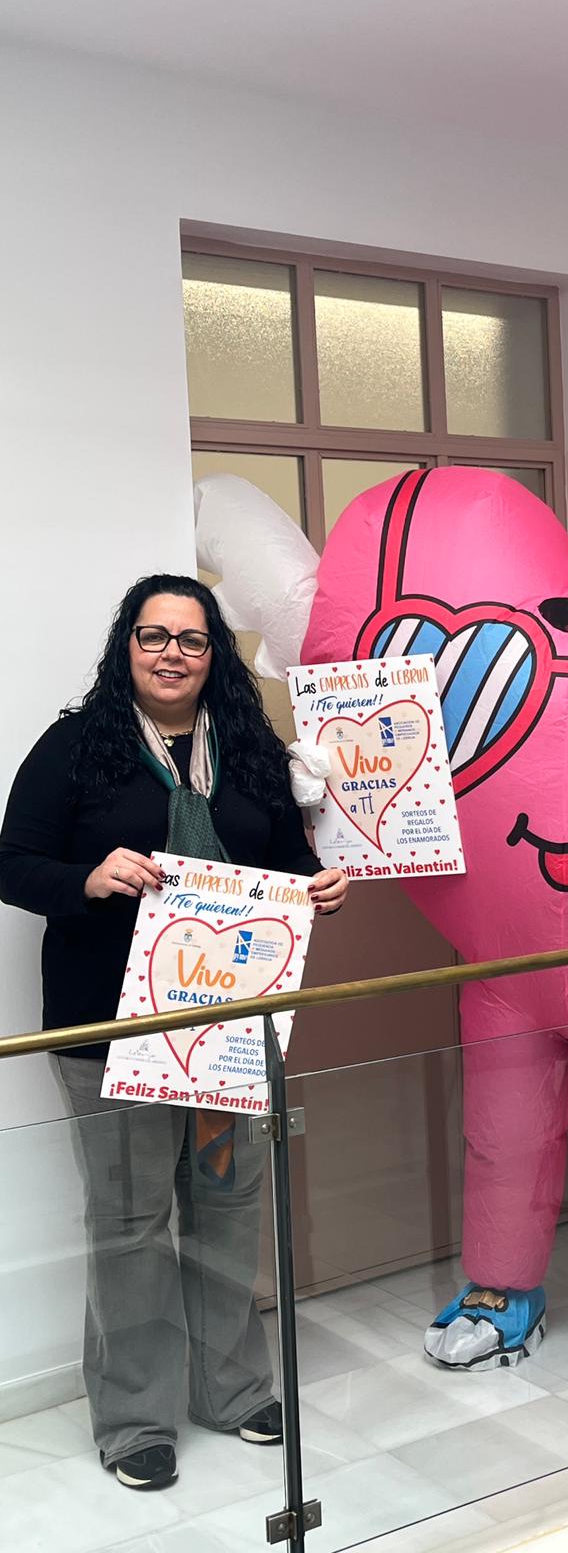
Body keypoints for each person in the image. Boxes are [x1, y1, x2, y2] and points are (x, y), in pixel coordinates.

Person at [0, 575, 348, 1492]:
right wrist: (86, 878)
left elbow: (286, 854)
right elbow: (11, 861)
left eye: (191, 640)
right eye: (153, 636)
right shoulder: (78, 746)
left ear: (212, 655)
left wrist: (317, 880)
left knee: (228, 1206)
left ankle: (232, 1391)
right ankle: (135, 1421)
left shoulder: (250, 751)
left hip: (228, 1031)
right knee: (130, 1222)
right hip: (109, 1033)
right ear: (128, 645)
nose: (171, 654)